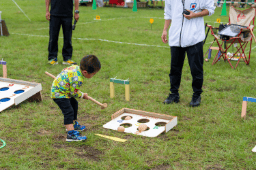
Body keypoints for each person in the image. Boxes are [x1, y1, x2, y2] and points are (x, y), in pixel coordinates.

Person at [161, 0, 215, 107]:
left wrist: (195, 15)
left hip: (194, 37)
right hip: (176, 37)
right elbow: (168, 13)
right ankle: (174, 94)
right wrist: (165, 30)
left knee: (196, 69)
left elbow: (210, 9)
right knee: (174, 68)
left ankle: (197, 95)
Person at [51, 55, 101, 141]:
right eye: (93, 74)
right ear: (85, 72)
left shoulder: (75, 67)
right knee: (68, 111)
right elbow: (73, 93)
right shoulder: (78, 79)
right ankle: (71, 135)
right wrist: (82, 95)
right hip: (59, 94)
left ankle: (73, 124)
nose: (93, 75)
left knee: (74, 103)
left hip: (64, 91)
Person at [45, 0, 79, 65]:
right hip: (54, 14)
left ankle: (67, 58)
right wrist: (47, 11)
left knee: (68, 38)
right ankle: (52, 58)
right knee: (53, 37)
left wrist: (76, 11)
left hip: (68, 14)